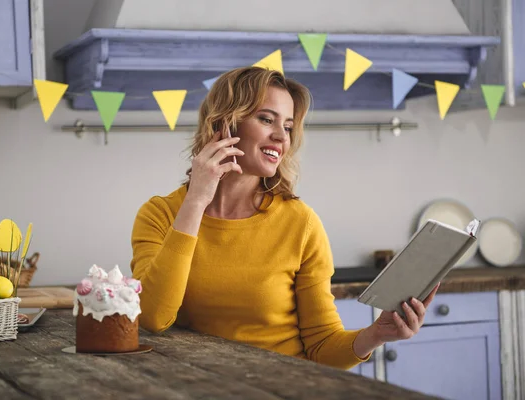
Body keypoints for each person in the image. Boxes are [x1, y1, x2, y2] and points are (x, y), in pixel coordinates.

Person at [129, 66, 439, 370]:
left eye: (288, 127)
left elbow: (322, 346)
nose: (281, 137)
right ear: (225, 124)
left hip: (283, 386)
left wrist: (377, 334)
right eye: (266, 120)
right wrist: (197, 199)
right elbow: (155, 317)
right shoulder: (160, 214)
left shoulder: (300, 223)